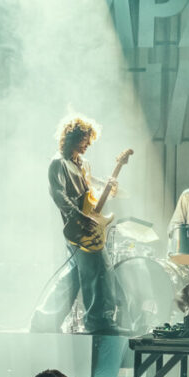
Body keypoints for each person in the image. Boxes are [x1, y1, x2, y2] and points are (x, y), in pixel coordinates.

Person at [30, 116, 126, 335]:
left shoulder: (84, 164)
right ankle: (98, 321)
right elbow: (59, 195)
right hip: (76, 227)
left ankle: (44, 319)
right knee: (100, 270)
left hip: (88, 223)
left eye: (89, 140)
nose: (87, 145)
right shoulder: (58, 163)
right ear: (70, 138)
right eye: (84, 140)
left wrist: (108, 186)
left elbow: (90, 191)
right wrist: (79, 217)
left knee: (75, 275)